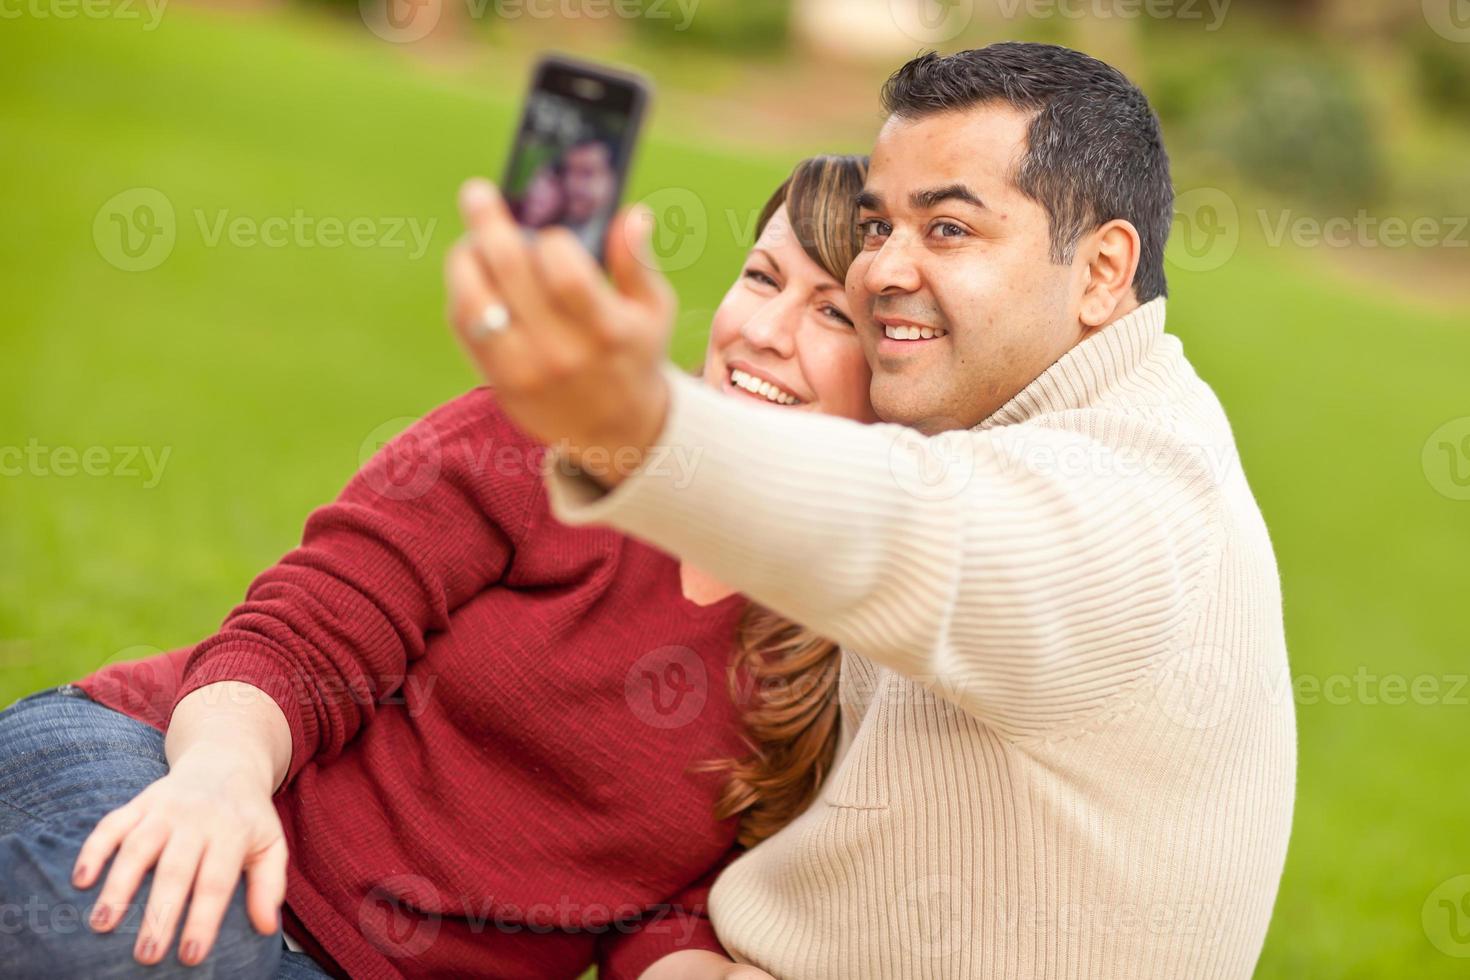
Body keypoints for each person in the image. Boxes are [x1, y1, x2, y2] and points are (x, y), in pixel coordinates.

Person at [447, 42, 1297, 979]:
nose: (882, 270)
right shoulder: (995, 413)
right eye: (878, 225)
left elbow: (930, 534)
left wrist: (635, 421)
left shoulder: (1143, 502)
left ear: (1102, 273)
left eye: (948, 231)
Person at [0, 155, 876, 979]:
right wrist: (219, 783)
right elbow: (305, 640)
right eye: (762, 278)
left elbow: (676, 908)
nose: (762, 331)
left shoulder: (849, 651)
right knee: (191, 934)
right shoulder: (561, 438)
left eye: (832, 312)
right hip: (173, 764)